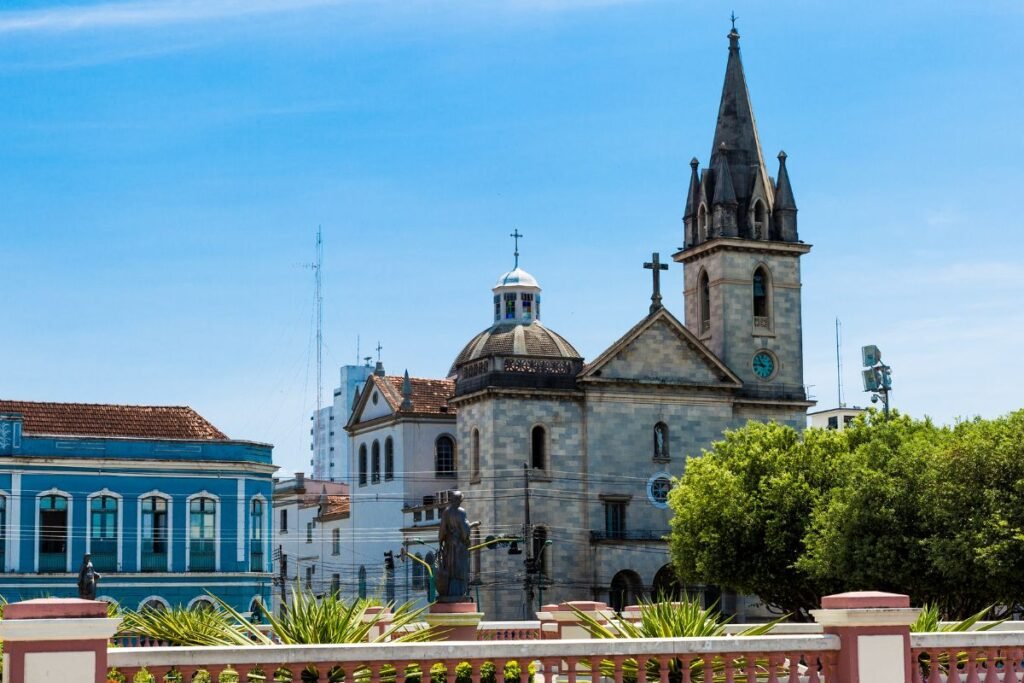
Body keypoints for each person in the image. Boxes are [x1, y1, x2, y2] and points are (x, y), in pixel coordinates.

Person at [436, 490, 478, 602]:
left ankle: (449, 592)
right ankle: (459, 593)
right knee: (460, 569)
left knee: (450, 569)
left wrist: (441, 542)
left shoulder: (446, 512)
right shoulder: (461, 512)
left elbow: (442, 530)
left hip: (449, 547)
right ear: (459, 500)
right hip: (459, 547)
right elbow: (465, 529)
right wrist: (467, 538)